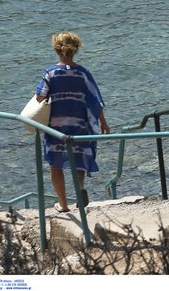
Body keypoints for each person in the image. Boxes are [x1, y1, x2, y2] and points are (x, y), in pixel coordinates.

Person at [34, 31, 110, 213]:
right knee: (79, 160)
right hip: (80, 124)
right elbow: (95, 100)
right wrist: (104, 123)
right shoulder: (83, 73)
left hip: (56, 126)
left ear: (56, 50)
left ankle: (63, 204)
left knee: (56, 164)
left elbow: (39, 97)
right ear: (76, 49)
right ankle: (81, 188)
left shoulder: (50, 73)